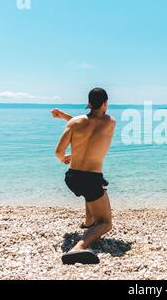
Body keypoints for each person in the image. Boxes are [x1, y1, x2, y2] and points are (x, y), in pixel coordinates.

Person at [52, 87, 116, 265]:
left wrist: (65, 158)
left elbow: (59, 152)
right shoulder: (110, 122)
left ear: (89, 103)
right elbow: (95, 122)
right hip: (91, 178)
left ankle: (88, 223)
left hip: (72, 177)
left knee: (93, 193)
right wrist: (65, 116)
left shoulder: (74, 123)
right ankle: (79, 247)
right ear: (105, 103)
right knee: (106, 223)